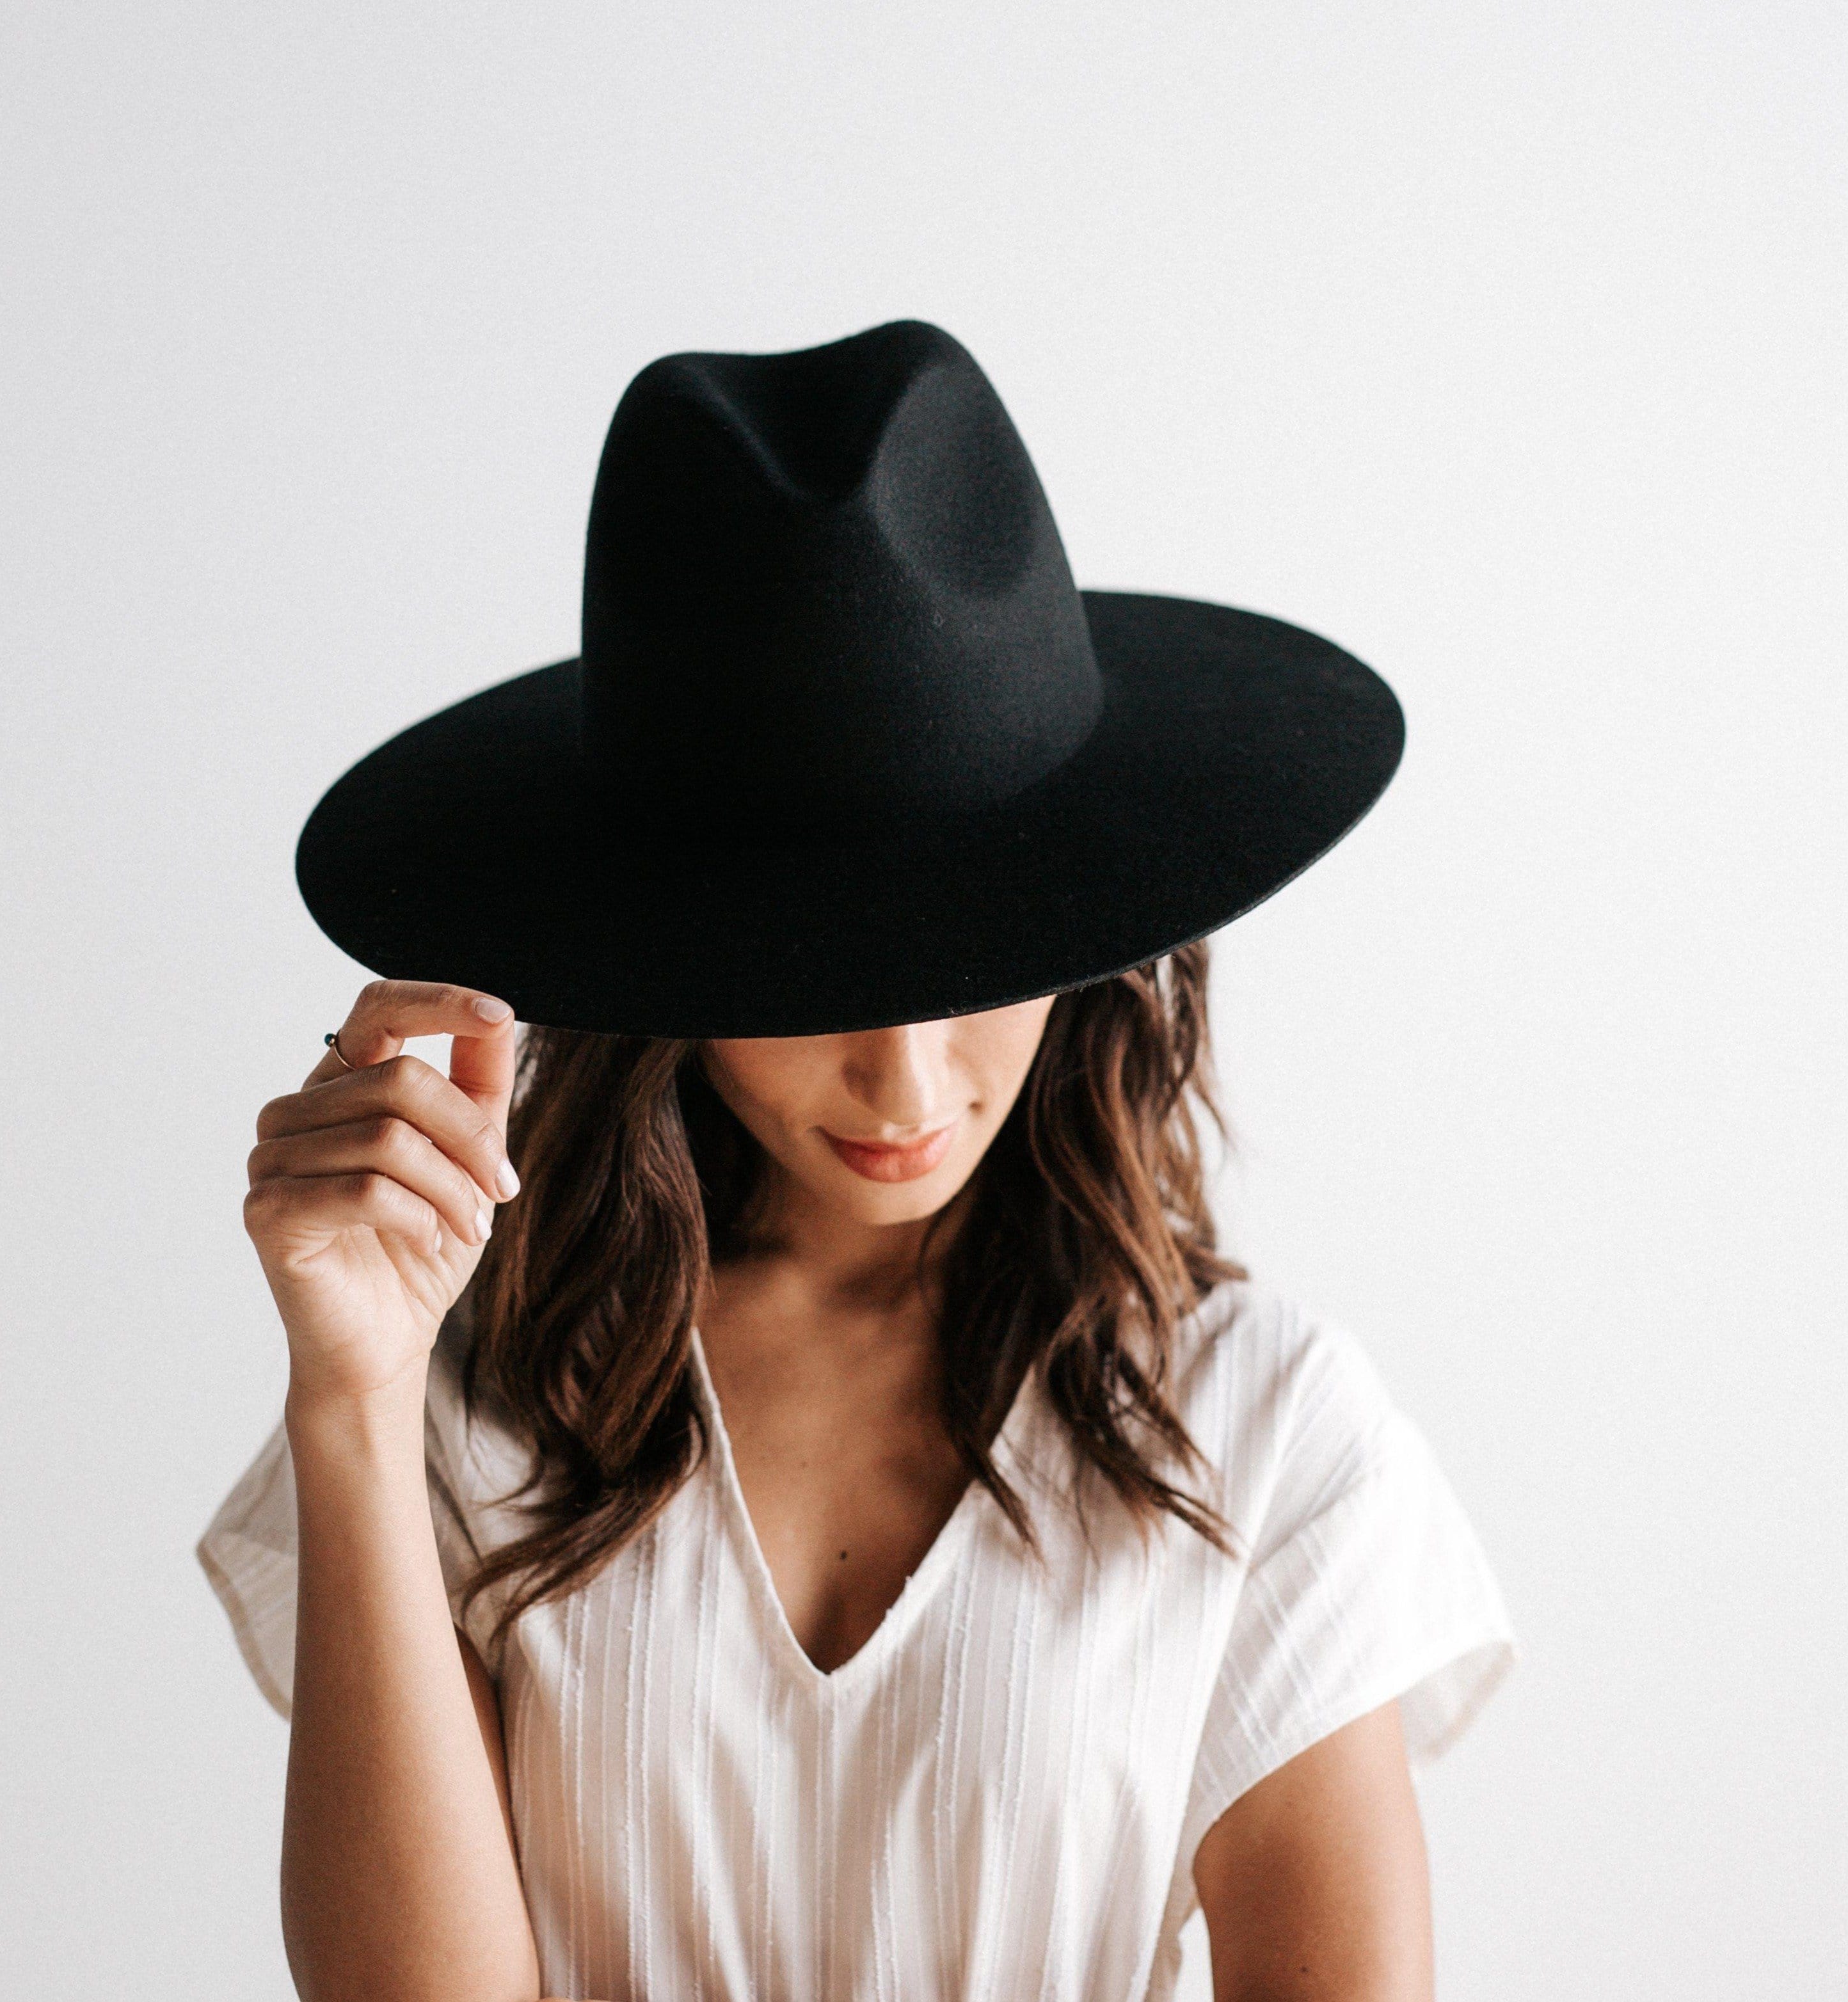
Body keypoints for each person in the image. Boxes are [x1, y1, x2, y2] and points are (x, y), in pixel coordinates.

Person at [198, 321, 1515, 2002]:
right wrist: (348, 1391)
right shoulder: (475, 1399)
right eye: (804, 974)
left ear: (1095, 926)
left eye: (976, 953)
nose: (904, 1075)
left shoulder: (1257, 1429)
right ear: (663, 965)